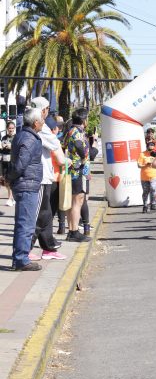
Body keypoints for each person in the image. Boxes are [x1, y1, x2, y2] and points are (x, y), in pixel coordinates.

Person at [29, 98, 70, 260]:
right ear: (43, 110)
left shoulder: (36, 125)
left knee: (45, 214)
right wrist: (66, 160)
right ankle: (25, 248)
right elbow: (55, 145)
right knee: (40, 214)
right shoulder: (40, 127)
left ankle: (49, 247)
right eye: (46, 109)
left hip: (45, 176)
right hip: (40, 176)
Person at [10, 107, 44, 271]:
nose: (43, 122)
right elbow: (20, 164)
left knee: (22, 224)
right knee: (26, 224)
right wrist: (11, 177)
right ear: (36, 123)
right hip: (27, 185)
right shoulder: (30, 139)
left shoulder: (22, 135)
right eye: (42, 120)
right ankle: (21, 259)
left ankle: (19, 258)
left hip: (24, 184)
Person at [63, 108, 92, 242]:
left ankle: (71, 231)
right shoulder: (77, 132)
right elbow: (80, 146)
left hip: (72, 170)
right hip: (77, 170)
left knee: (73, 201)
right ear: (83, 120)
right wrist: (85, 158)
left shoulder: (70, 130)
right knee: (77, 201)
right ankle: (74, 231)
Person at [138, 140, 156, 213]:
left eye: (152, 148)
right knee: (145, 192)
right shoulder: (142, 154)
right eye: (149, 148)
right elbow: (139, 165)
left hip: (155, 175)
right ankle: (145, 206)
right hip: (144, 176)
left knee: (153, 189)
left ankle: (152, 204)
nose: (151, 150)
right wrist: (145, 164)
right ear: (147, 147)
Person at [1, 121, 16, 206]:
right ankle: (12, 197)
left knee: (10, 180)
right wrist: (2, 146)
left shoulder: (16, 137)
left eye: (12, 128)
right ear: (7, 129)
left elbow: (18, 149)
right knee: (6, 182)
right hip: (4, 161)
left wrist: (11, 147)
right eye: (9, 128)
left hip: (12, 161)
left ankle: (10, 198)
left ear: (14, 129)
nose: (11, 130)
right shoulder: (4, 137)